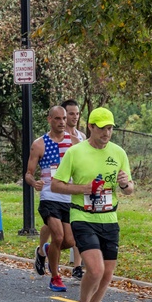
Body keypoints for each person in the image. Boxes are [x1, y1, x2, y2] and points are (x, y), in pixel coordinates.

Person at [51, 107, 134, 302]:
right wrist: (82, 189)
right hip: (82, 217)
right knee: (95, 270)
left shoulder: (119, 153)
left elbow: (129, 190)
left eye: (110, 128)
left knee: (107, 275)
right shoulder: (75, 152)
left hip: (109, 218)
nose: (107, 133)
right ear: (90, 127)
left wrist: (126, 184)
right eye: (102, 128)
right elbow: (56, 185)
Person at [25, 105, 76, 292]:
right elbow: (28, 174)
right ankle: (55, 277)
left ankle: (46, 250)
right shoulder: (40, 144)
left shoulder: (75, 142)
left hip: (69, 197)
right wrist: (34, 183)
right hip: (49, 196)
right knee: (59, 235)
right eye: (57, 119)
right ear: (49, 120)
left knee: (69, 242)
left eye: (64, 118)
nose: (62, 122)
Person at [62, 99, 87, 279]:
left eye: (77, 114)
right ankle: (45, 249)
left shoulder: (82, 136)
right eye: (71, 113)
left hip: (78, 186)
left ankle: (77, 266)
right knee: (62, 235)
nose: (75, 117)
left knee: (78, 225)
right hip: (60, 187)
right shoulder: (57, 135)